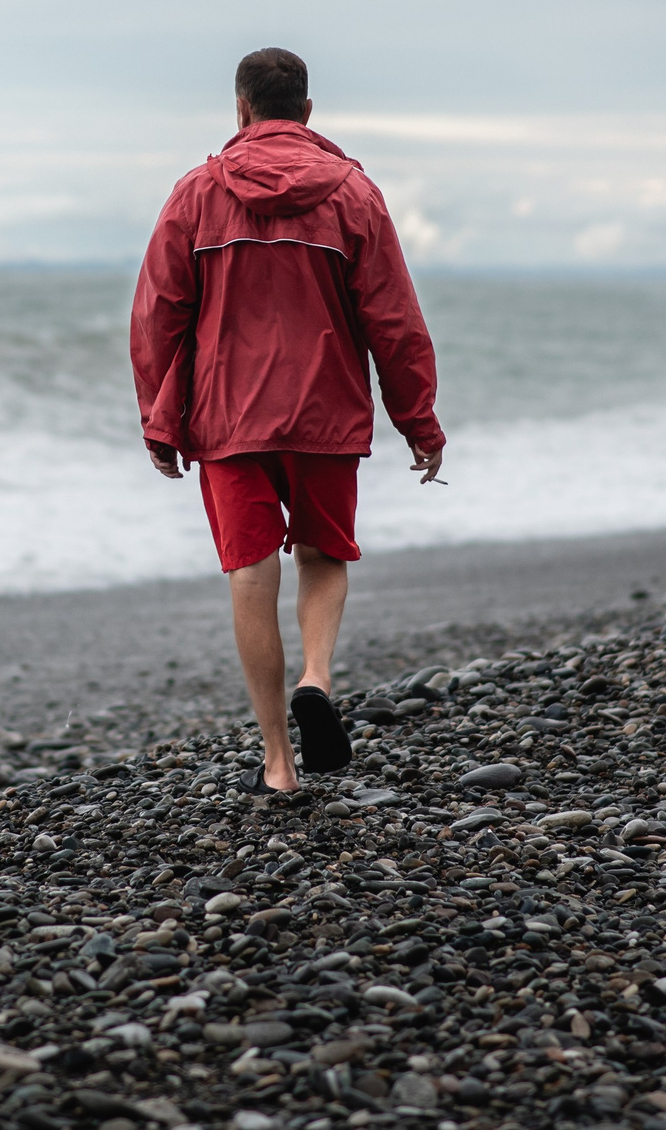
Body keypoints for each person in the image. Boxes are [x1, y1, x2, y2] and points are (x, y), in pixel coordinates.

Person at [129, 47, 446, 794]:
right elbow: (395, 320)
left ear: (241, 109)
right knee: (323, 553)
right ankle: (316, 676)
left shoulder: (197, 194)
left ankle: (278, 762)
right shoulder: (354, 195)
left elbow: (157, 315)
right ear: (307, 112)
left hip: (228, 418)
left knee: (249, 571)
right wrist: (419, 420)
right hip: (326, 411)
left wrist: (158, 416)